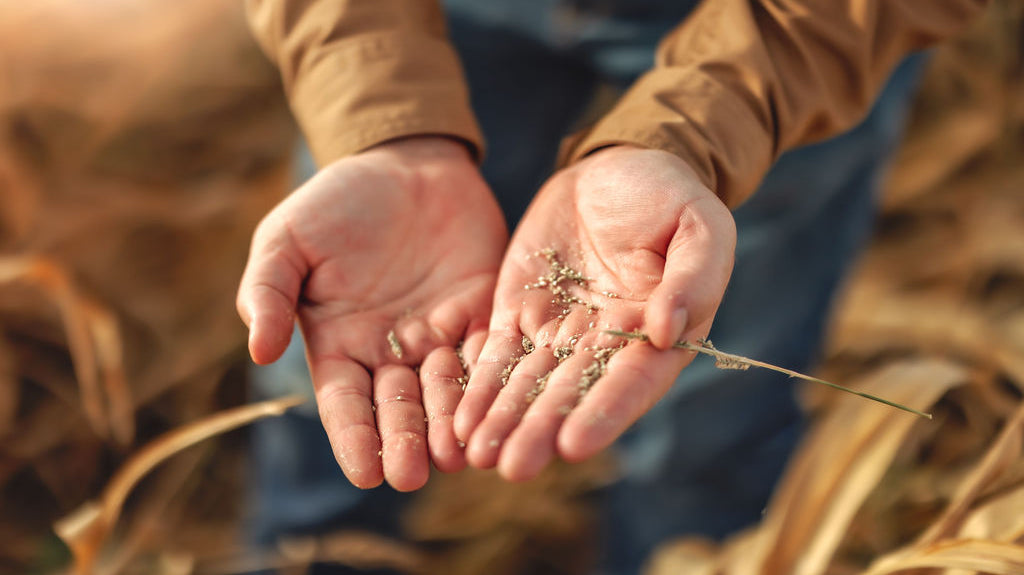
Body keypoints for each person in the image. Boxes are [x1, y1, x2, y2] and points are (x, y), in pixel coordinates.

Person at [237, 0, 986, 572]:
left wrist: (701, 127)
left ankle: (685, 551)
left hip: (788, 34)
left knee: (714, 411)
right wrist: (380, 118)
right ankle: (312, 551)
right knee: (344, 376)